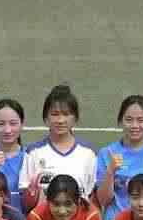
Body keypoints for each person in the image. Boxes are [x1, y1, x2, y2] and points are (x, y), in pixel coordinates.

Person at [19, 82, 99, 210]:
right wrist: (33, 195)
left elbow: (92, 197)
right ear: (46, 118)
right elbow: (25, 199)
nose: (60, 120)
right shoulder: (33, 152)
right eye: (55, 114)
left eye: (66, 114)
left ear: (75, 118)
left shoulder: (89, 152)